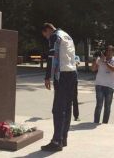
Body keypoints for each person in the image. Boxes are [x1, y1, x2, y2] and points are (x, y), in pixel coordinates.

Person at [41, 23, 77, 152]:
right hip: (73, 73)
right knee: (67, 107)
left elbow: (51, 58)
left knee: (58, 109)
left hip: (62, 75)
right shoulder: (67, 35)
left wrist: (47, 77)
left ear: (48, 30)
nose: (46, 38)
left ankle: (56, 141)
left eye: (45, 35)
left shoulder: (55, 36)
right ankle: (63, 138)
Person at [91, 45, 114, 124]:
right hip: (99, 85)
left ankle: (105, 123)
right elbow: (93, 69)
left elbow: (113, 69)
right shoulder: (100, 59)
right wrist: (94, 60)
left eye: (111, 51)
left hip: (109, 86)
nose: (109, 52)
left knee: (107, 107)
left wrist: (105, 61)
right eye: (107, 50)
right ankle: (95, 122)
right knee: (99, 105)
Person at [73, 55, 81, 121]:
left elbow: (76, 63)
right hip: (64, 79)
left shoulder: (76, 56)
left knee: (75, 98)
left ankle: (76, 116)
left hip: (74, 80)